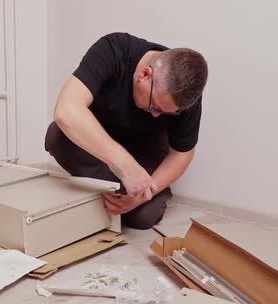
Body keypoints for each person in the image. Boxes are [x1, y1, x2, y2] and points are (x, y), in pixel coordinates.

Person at [45, 32, 208, 230]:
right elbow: (66, 110)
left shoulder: (187, 96)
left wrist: (141, 196)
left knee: (143, 217)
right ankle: (115, 186)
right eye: (154, 106)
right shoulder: (113, 49)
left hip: (145, 151)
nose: (156, 115)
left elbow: (181, 155)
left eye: (167, 113)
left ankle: (118, 189)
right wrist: (127, 167)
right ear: (144, 75)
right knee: (57, 136)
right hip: (100, 141)